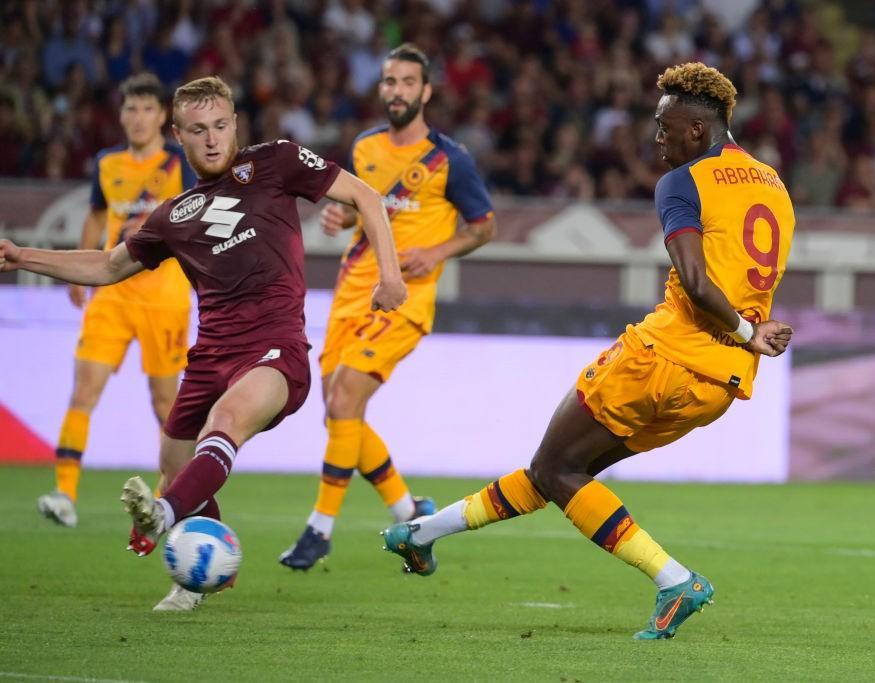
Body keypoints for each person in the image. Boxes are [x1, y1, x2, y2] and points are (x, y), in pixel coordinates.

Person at [380, 62, 795, 640]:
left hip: (664, 358)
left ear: (697, 132)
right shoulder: (772, 184)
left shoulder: (682, 182)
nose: (656, 139)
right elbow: (748, 283)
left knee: (555, 468)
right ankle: (421, 536)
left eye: (663, 126)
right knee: (560, 475)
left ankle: (674, 580)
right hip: (721, 382)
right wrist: (753, 335)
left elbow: (699, 285)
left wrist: (749, 332)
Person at [0, 76, 407, 611]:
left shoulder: (277, 162)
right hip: (209, 354)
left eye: (220, 125)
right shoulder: (171, 217)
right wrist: (21, 255)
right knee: (173, 460)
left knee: (224, 426)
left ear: (235, 123)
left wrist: (390, 275)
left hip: (275, 351)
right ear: (179, 136)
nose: (212, 139)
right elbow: (106, 265)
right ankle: (205, 570)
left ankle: (164, 517)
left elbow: (365, 195)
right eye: (198, 130)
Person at [279, 44, 496, 570]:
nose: (395, 91)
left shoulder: (450, 160)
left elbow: (484, 225)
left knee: (347, 394)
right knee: (338, 409)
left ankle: (319, 529)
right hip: (354, 288)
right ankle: (410, 511)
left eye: (406, 82)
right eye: (389, 81)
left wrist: (438, 251)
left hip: (406, 299)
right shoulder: (365, 147)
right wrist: (340, 219)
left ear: (425, 92)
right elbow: (359, 210)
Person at [37, 73, 195, 529]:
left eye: (148, 109)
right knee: (84, 390)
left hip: (164, 298)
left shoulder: (177, 165)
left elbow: (193, 214)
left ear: (163, 116)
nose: (139, 118)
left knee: (165, 404)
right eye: (131, 109)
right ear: (122, 115)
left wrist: (153, 225)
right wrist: (76, 274)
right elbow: (96, 214)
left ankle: (168, 500)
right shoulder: (107, 163)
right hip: (111, 294)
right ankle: (64, 492)